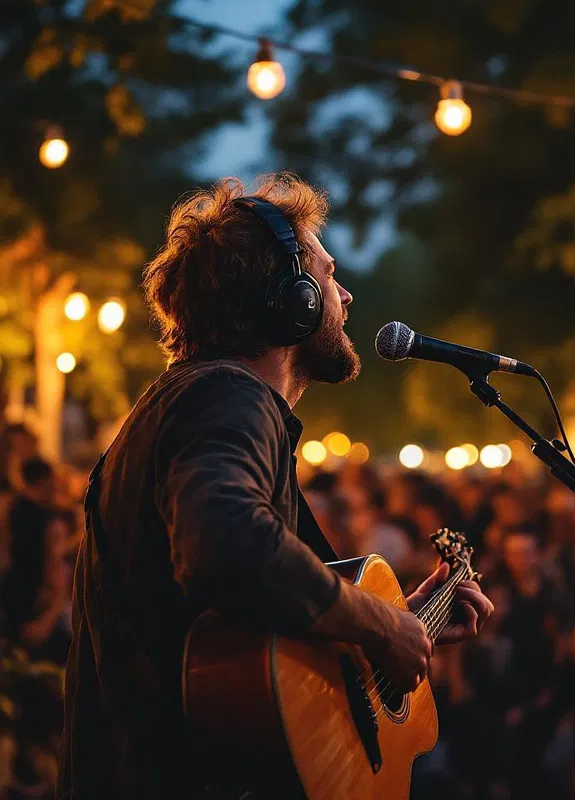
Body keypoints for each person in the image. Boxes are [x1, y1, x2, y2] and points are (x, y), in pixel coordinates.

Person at [55, 174, 492, 800]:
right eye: (327, 275)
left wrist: (395, 626)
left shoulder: (198, 402)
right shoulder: (227, 397)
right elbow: (227, 547)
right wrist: (376, 624)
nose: (345, 296)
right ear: (291, 300)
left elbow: (249, 649)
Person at [1, 456, 71, 662]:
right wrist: (47, 621)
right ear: (46, 481)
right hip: (39, 616)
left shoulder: (7, 512)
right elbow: (57, 575)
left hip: (10, 614)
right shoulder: (51, 522)